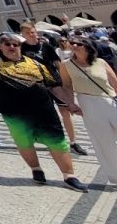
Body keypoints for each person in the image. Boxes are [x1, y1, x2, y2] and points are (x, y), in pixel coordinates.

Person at [0, 34, 88, 191]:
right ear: (1, 46)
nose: (12, 47)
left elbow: (53, 86)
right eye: (7, 44)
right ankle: (36, 169)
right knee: (24, 143)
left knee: (57, 142)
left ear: (21, 46)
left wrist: (69, 104)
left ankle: (69, 176)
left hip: (43, 110)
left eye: (15, 44)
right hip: (15, 113)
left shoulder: (35, 63)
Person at [60, 37, 117, 192]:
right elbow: (67, 85)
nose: (75, 46)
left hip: (111, 102)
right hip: (88, 104)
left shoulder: (101, 62)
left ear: (88, 47)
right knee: (104, 143)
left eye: (79, 43)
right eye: (72, 43)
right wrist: (71, 103)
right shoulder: (66, 66)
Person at [21, 21, 87, 155]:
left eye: (32, 32)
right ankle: (54, 140)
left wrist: (65, 80)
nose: (31, 35)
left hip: (55, 82)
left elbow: (58, 63)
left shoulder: (45, 46)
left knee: (65, 112)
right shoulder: (22, 49)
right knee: (47, 114)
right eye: (27, 33)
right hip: (37, 85)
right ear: (23, 34)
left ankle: (73, 142)